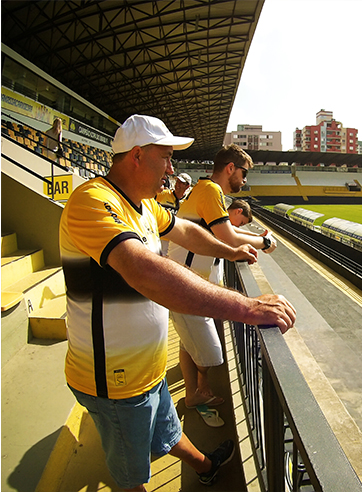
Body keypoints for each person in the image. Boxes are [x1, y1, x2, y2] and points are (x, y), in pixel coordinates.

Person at [59, 115, 296, 491]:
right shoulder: (92, 200)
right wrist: (246, 307)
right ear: (138, 155)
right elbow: (144, 271)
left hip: (146, 370)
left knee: (167, 430)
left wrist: (231, 251)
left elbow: (186, 231)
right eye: (166, 157)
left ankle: (205, 465)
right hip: (115, 384)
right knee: (131, 477)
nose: (171, 169)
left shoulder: (142, 206)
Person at [167, 145, 277, 417]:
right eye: (243, 173)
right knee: (211, 354)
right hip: (187, 284)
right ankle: (199, 388)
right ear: (230, 168)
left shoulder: (205, 190)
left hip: (188, 282)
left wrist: (253, 240)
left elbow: (225, 233)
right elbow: (228, 237)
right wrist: (264, 243)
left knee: (188, 344)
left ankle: (194, 393)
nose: (244, 179)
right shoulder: (210, 190)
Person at [156, 173, 192, 254]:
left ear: (187, 186)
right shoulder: (163, 194)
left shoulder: (188, 202)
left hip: (175, 241)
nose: (177, 185)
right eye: (177, 181)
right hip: (160, 236)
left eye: (181, 183)